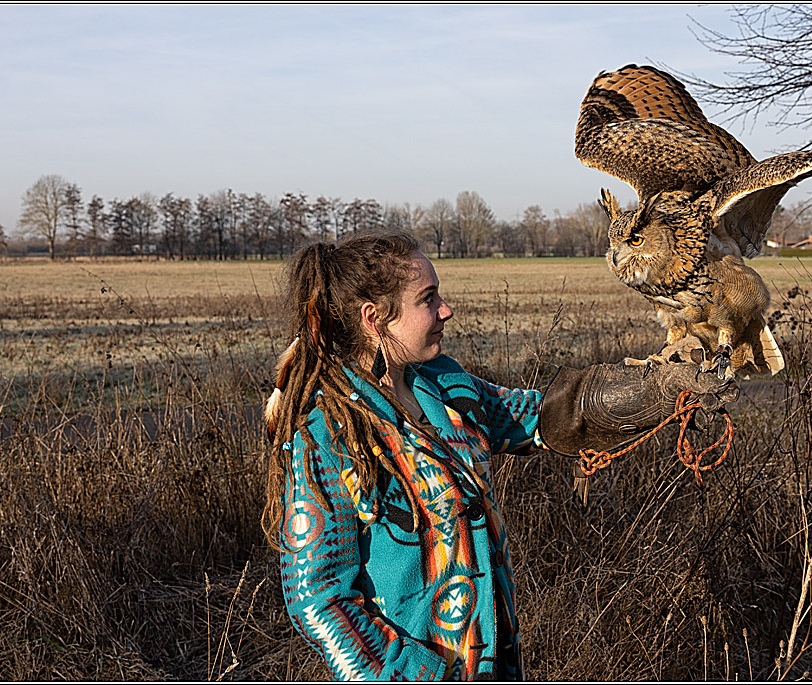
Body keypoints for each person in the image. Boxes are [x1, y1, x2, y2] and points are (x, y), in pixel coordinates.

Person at [261, 229, 734, 681]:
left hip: (492, 659)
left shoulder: (443, 383)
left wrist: (655, 391)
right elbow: (316, 597)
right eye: (428, 299)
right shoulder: (328, 434)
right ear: (374, 318)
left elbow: (540, 417)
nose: (446, 310)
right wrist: (411, 674)